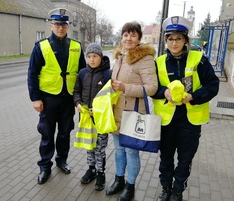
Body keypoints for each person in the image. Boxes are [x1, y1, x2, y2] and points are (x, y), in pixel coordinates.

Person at [152, 16, 219, 201]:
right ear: (166, 40)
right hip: (166, 121)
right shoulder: (158, 63)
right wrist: (164, 92)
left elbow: (212, 86)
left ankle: (178, 190)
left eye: (178, 38)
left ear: (186, 40)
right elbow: (151, 88)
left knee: (185, 159)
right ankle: (166, 188)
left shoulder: (199, 60)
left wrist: (193, 97)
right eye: (170, 38)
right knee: (165, 158)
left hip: (190, 120)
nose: (174, 43)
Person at [27, 8, 86, 185]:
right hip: (48, 98)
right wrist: (35, 98)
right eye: (57, 24)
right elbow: (32, 73)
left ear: (68, 26)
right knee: (47, 133)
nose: (61, 27)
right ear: (51, 25)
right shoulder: (41, 46)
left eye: (64, 24)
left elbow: (83, 73)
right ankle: (45, 166)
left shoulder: (76, 46)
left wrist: (81, 99)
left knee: (65, 132)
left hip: (68, 98)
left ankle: (62, 160)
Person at [106, 21, 158, 201]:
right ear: (122, 37)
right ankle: (119, 180)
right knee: (119, 150)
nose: (129, 38)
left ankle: (130, 186)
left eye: (133, 35)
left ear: (139, 39)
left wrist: (125, 87)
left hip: (133, 113)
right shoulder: (120, 56)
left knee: (130, 151)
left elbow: (151, 87)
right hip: (117, 111)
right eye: (126, 35)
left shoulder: (145, 59)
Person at [73, 43, 111, 191]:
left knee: (100, 148)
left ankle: (101, 173)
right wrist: (78, 104)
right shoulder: (82, 73)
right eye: (89, 56)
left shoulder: (108, 74)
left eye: (95, 56)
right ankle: (92, 169)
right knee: (89, 146)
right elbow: (76, 92)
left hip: (100, 119)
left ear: (100, 57)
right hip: (86, 118)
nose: (92, 59)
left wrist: (99, 109)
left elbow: (111, 97)